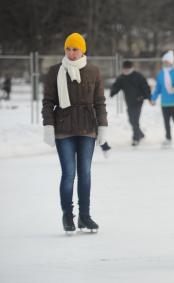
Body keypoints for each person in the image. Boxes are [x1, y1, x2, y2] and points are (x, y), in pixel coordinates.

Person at [41, 33, 108, 233]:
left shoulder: (93, 71)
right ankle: (67, 216)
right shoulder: (55, 71)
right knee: (69, 174)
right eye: (68, 49)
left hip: (87, 128)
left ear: (83, 50)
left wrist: (103, 125)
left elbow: (99, 102)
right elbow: (48, 102)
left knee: (85, 173)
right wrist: (48, 126)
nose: (71, 53)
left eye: (75, 49)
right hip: (64, 129)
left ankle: (85, 216)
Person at [110, 61, 151, 146]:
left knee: (135, 120)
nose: (126, 71)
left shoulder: (138, 76)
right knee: (131, 120)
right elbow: (116, 86)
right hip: (129, 101)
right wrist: (113, 92)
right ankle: (140, 134)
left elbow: (145, 87)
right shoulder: (122, 77)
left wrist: (146, 96)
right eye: (124, 69)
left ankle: (136, 138)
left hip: (138, 101)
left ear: (131, 68)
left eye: (128, 69)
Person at [151, 50, 174, 146]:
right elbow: (158, 87)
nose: (166, 63)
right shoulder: (161, 73)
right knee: (166, 121)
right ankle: (168, 137)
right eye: (164, 61)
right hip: (164, 102)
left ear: (171, 62)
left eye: (167, 61)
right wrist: (153, 98)